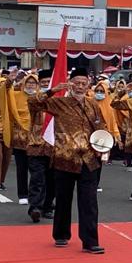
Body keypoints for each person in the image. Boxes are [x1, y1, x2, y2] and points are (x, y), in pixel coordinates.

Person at [29, 67, 107, 253]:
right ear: (70, 84)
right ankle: (61, 234)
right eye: (77, 83)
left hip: (89, 159)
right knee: (63, 199)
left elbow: (101, 126)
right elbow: (33, 103)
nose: (80, 86)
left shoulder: (93, 105)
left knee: (89, 201)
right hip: (65, 158)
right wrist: (53, 90)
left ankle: (90, 241)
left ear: (88, 84)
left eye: (84, 83)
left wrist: (104, 147)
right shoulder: (59, 103)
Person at [11, 73, 55, 222]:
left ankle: (47, 207)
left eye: (49, 82)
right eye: (43, 83)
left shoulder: (59, 102)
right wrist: (51, 91)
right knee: (37, 177)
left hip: (55, 146)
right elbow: (36, 100)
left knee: (52, 179)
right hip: (36, 145)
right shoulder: (34, 101)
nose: (45, 84)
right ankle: (35, 207)